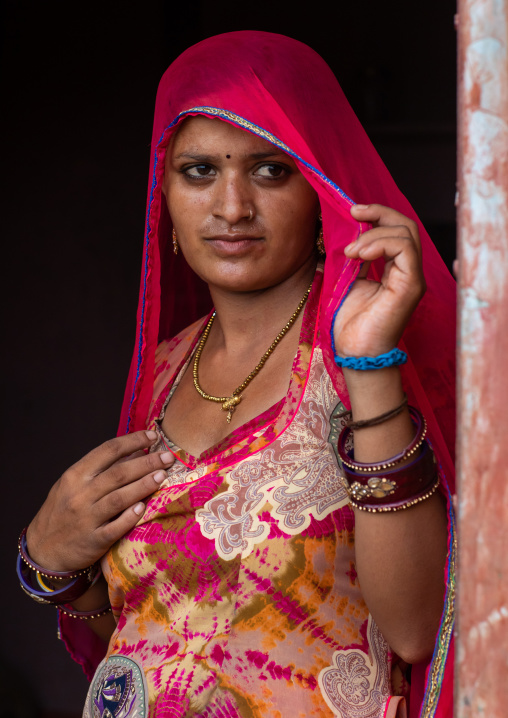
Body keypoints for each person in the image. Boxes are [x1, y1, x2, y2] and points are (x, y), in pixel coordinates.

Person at [17, 31, 456, 718]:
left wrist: (370, 362)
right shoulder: (166, 370)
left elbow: (414, 629)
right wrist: (51, 563)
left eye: (270, 170)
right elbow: (139, 640)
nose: (231, 208)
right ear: (162, 187)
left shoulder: (359, 354)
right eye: (199, 171)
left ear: (318, 184)